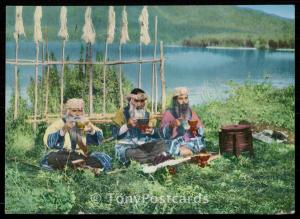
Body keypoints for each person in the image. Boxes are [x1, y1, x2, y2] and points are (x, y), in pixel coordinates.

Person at [40, 98, 112, 172]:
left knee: (101, 159)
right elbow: (49, 142)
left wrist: (91, 130)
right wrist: (63, 130)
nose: (77, 114)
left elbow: (99, 139)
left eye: (80, 110)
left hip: (80, 156)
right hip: (63, 155)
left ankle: (76, 167)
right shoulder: (59, 123)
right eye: (74, 111)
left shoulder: (84, 122)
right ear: (68, 111)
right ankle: (80, 168)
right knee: (53, 158)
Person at [112, 88, 171, 165]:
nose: (139, 104)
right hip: (127, 147)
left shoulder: (148, 113)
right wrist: (127, 126)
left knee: (162, 143)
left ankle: (151, 159)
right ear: (130, 100)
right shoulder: (122, 112)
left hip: (144, 145)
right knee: (135, 154)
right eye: (136, 101)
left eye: (142, 101)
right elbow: (114, 134)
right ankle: (157, 159)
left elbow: (157, 132)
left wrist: (152, 131)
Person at [160, 87, 206, 157]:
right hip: (175, 142)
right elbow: (162, 134)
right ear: (175, 100)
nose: (184, 101)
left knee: (198, 143)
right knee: (167, 146)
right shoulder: (168, 113)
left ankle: (185, 152)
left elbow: (201, 129)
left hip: (190, 142)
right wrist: (171, 125)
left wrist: (196, 129)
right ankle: (180, 152)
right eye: (181, 99)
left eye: (186, 98)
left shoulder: (191, 112)